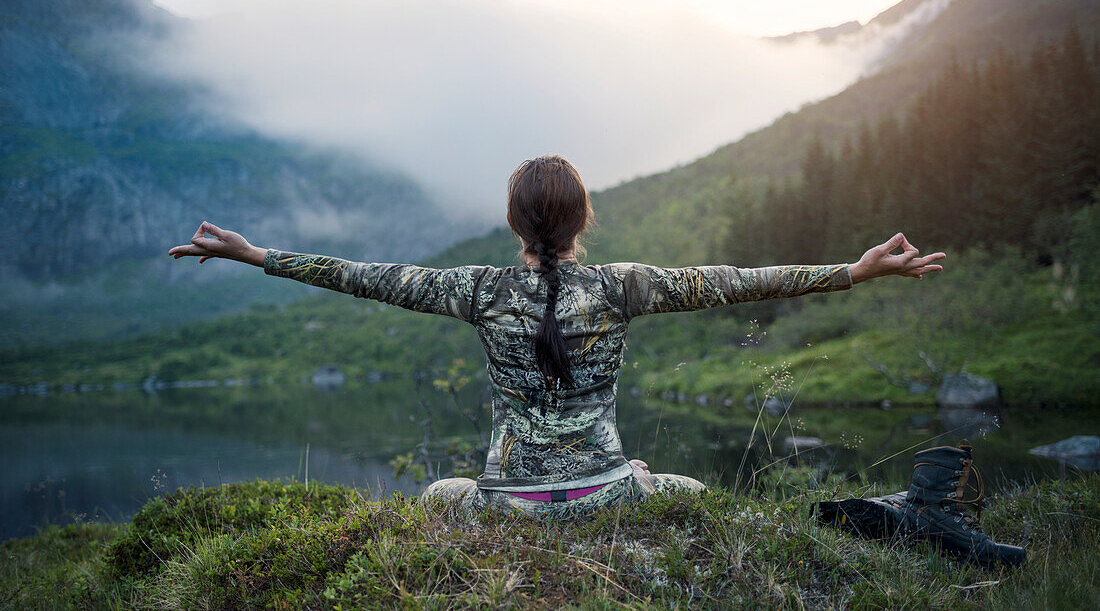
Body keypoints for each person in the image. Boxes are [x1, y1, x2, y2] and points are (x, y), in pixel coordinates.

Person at [169, 154, 945, 520]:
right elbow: (737, 279)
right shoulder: (621, 286)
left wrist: (257, 256)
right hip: (606, 494)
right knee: (694, 495)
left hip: (509, 503)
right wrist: (853, 270)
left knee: (440, 494)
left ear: (514, 225)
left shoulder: (475, 289)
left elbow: (364, 274)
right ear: (584, 221)